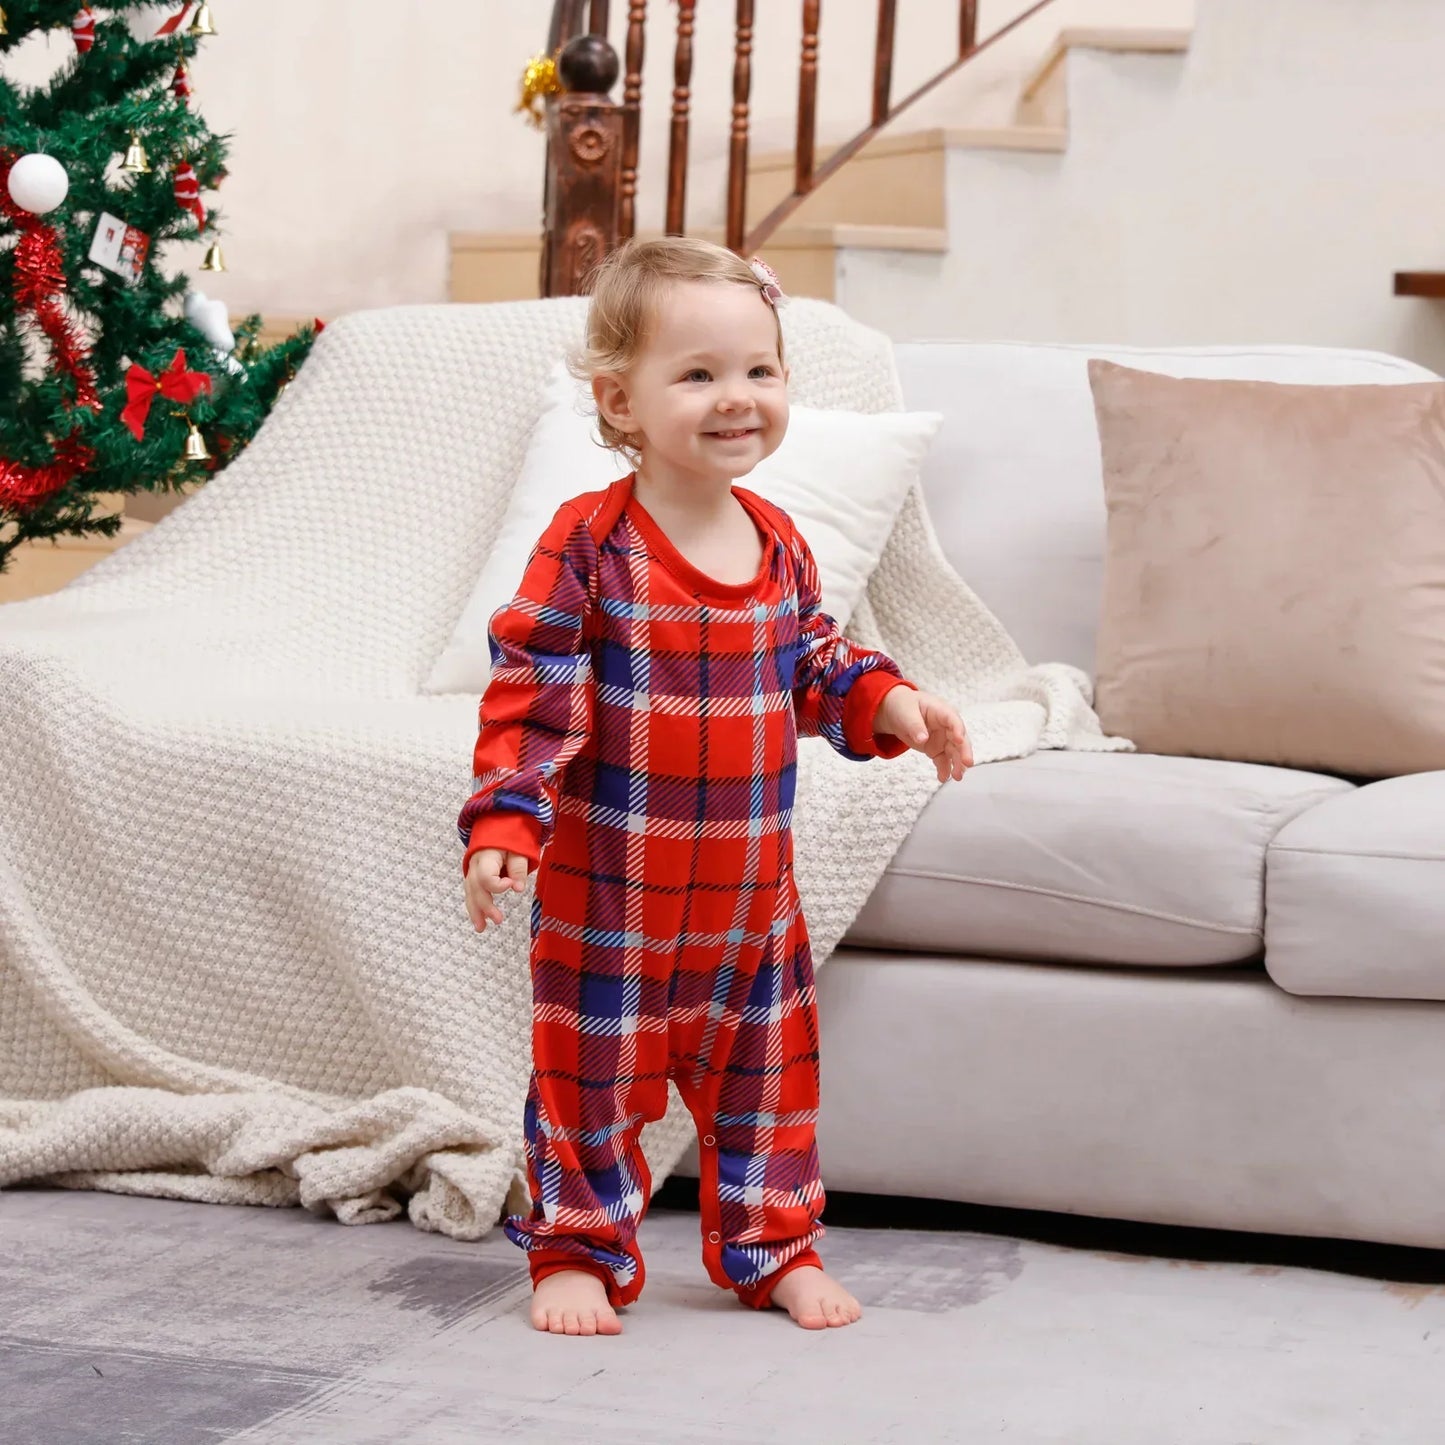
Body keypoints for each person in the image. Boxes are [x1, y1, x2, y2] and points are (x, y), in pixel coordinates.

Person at [458, 237, 971, 1337]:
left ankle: (771, 1244)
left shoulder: (779, 543)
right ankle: (578, 1251)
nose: (735, 398)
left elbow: (814, 661)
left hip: (747, 904)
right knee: (587, 1091)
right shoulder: (591, 543)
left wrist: (890, 704)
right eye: (696, 374)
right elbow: (532, 688)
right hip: (611, 902)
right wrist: (506, 816)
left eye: (758, 371)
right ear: (619, 400)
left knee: (768, 1092)